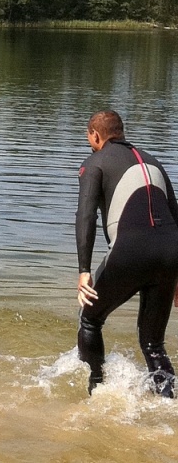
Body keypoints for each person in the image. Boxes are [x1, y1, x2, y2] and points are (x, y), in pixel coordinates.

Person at [75, 109, 178, 398]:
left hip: (130, 252)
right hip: (171, 255)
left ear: (95, 135)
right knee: (153, 344)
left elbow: (85, 216)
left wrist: (84, 270)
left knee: (90, 319)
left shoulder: (94, 163)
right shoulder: (154, 162)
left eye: (89, 137)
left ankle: (97, 391)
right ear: (121, 131)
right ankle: (168, 407)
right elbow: (176, 217)